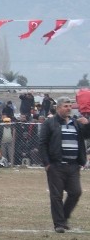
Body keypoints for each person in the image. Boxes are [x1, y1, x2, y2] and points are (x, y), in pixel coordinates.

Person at [38, 97, 90, 233]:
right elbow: (42, 143)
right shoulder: (50, 123)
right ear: (58, 108)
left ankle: (64, 217)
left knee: (76, 192)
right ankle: (59, 224)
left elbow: (87, 135)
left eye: (70, 106)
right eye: (66, 106)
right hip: (56, 165)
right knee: (56, 195)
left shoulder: (76, 123)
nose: (69, 108)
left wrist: (88, 124)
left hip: (73, 166)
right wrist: (47, 163)